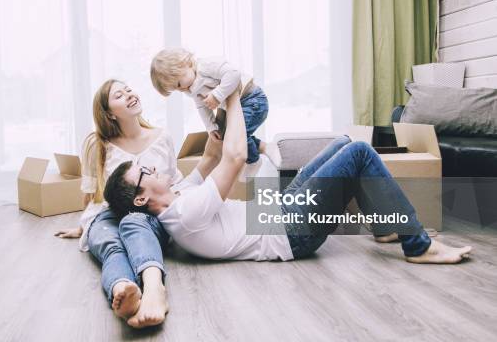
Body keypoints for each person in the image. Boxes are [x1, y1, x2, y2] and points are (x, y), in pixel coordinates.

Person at [103, 91, 472, 264]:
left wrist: (207, 106)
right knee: (359, 153)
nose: (153, 168)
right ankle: (419, 246)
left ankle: (384, 226)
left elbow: (214, 155)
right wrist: (234, 100)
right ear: (140, 198)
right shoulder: (184, 214)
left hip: (279, 211)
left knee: (343, 143)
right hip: (291, 235)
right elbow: (233, 158)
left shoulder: (181, 194)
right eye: (145, 171)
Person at [54, 79, 182, 328]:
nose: (129, 95)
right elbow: (91, 193)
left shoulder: (162, 136)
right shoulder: (96, 144)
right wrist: (83, 227)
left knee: (135, 222)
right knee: (111, 244)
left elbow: (173, 181)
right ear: (109, 113)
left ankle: (155, 289)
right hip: (109, 214)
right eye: (119, 95)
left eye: (129, 90)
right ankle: (123, 290)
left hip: (149, 214)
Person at [150, 47, 281, 170]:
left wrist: (217, 95)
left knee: (236, 136)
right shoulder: (190, 88)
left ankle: (254, 161)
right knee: (226, 138)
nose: (181, 89)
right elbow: (202, 106)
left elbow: (233, 74)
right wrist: (211, 127)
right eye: (176, 89)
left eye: (178, 84)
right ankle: (265, 147)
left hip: (253, 100)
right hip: (236, 108)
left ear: (185, 64)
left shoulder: (205, 66)